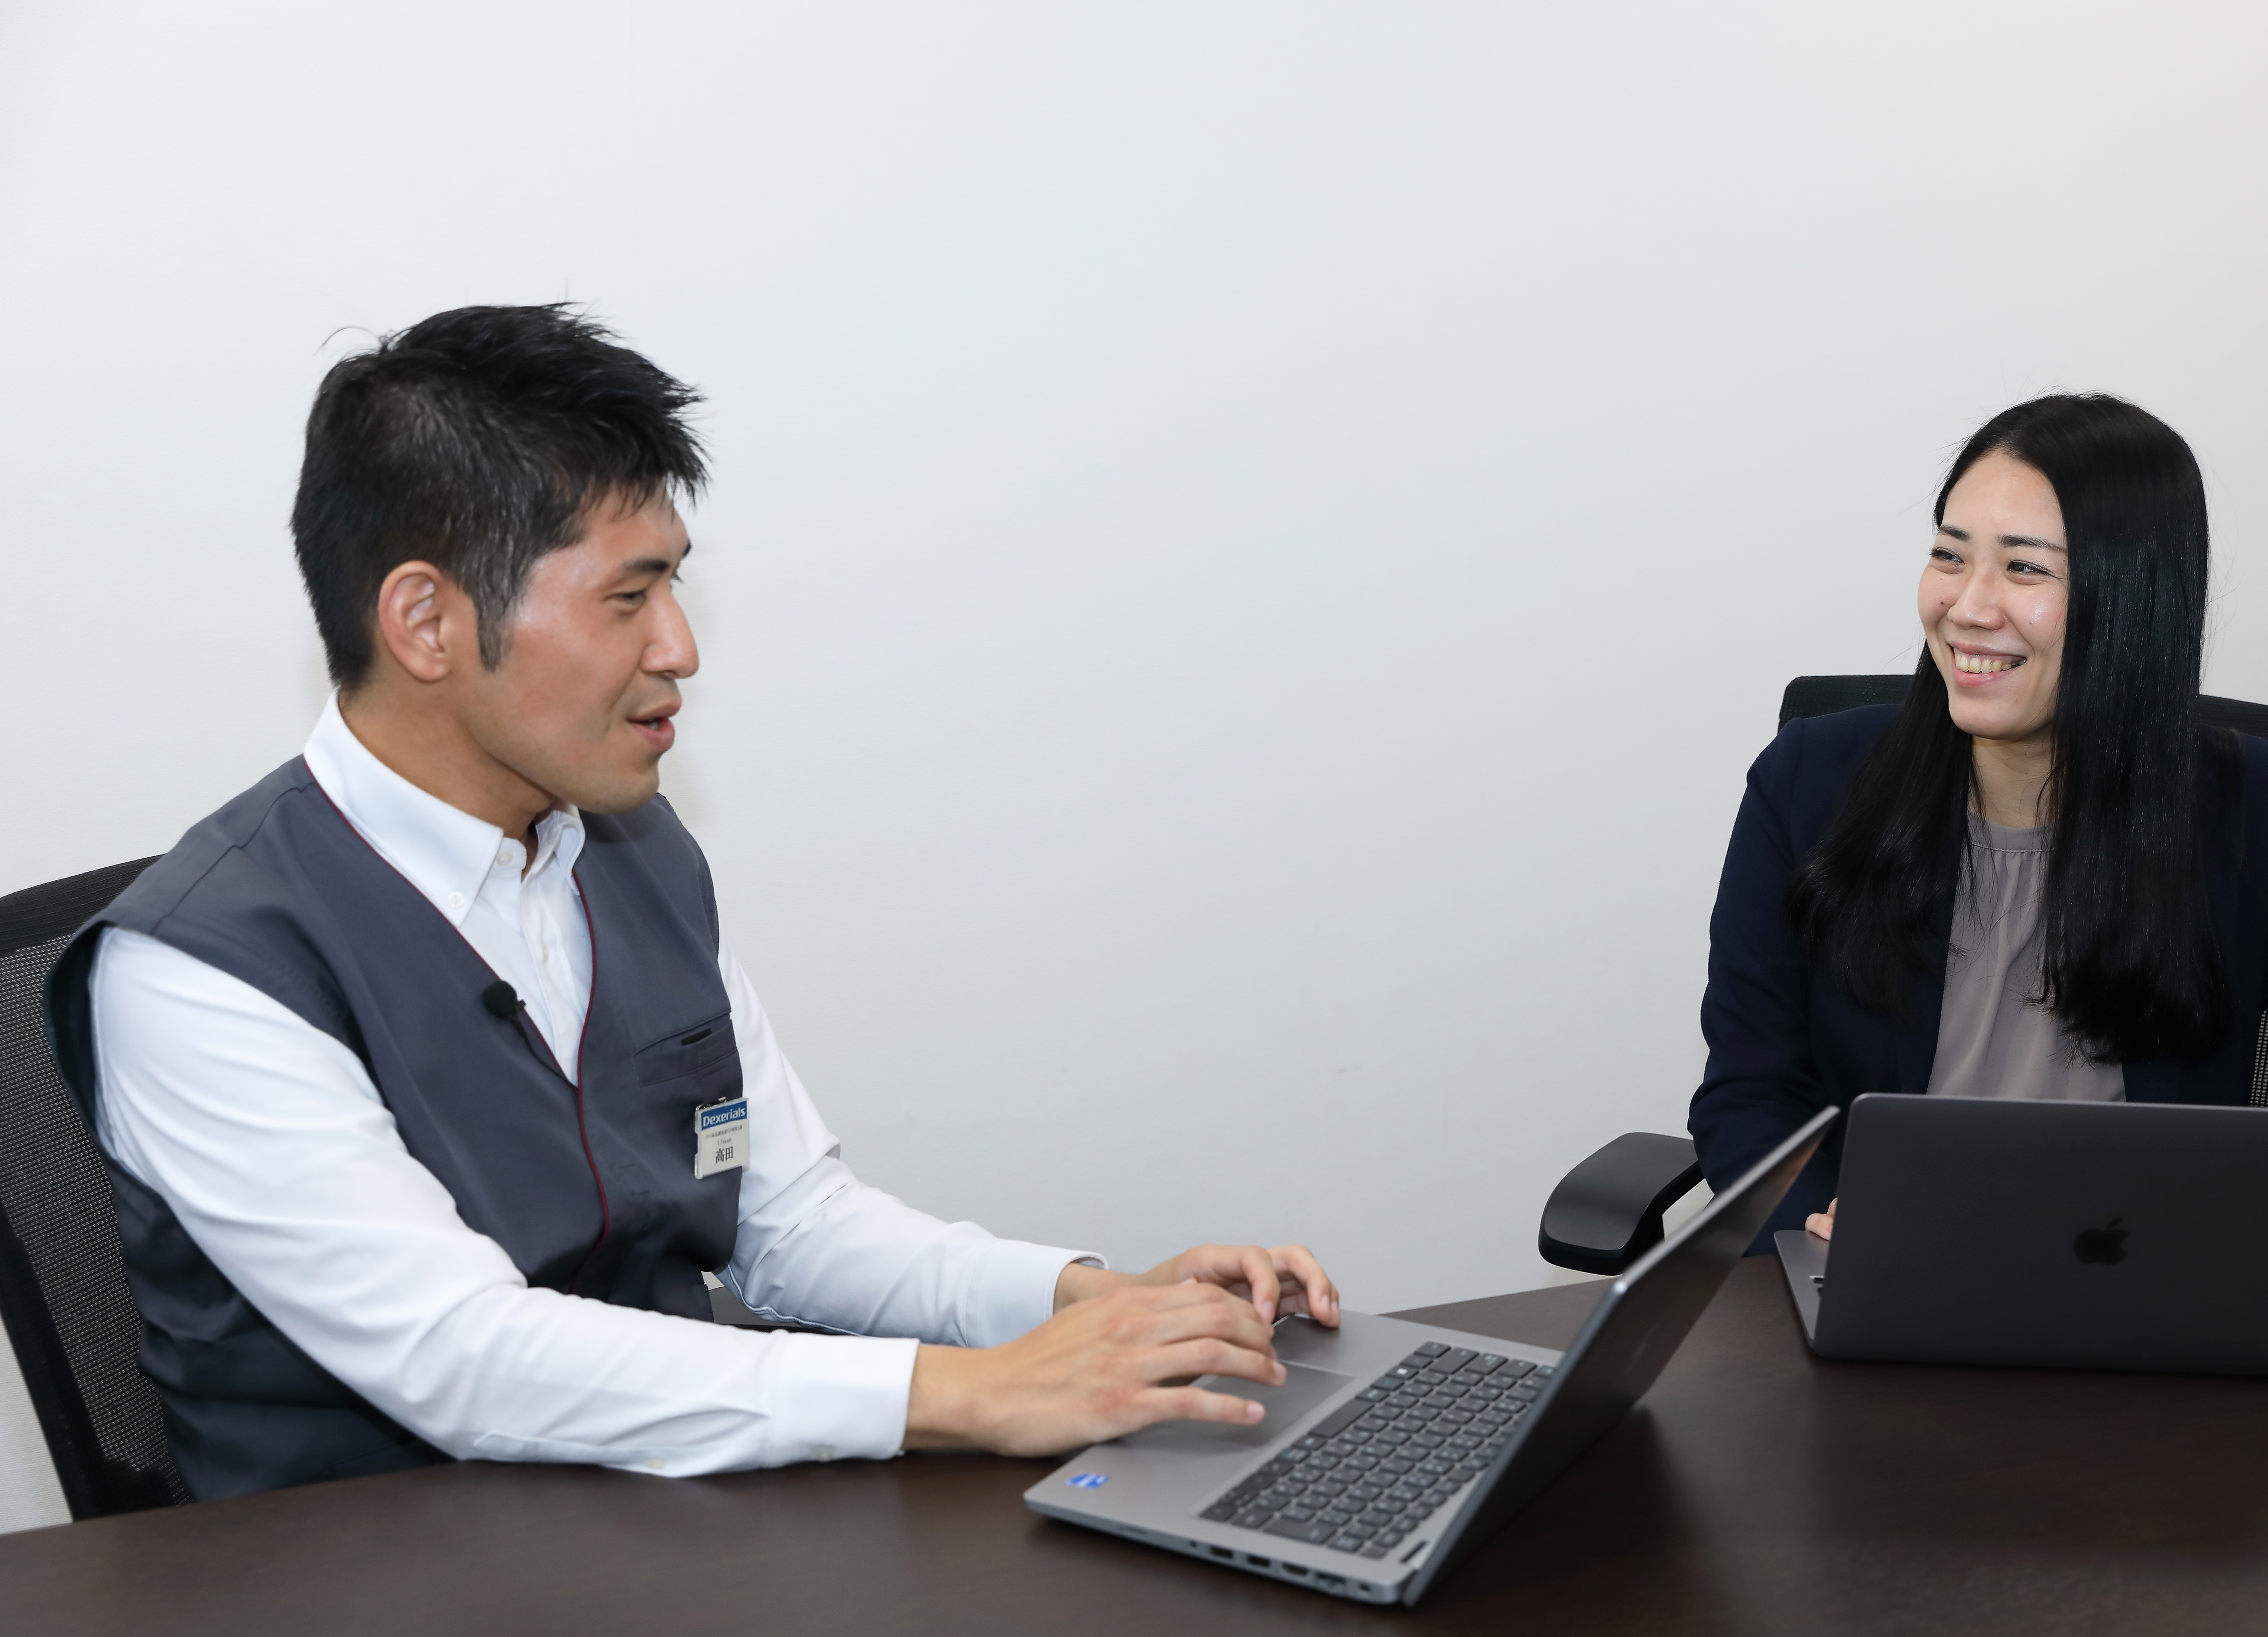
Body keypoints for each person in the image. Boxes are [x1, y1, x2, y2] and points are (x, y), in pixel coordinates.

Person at [44, 304, 1338, 1500]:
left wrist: (1084, 1304)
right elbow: (461, 1357)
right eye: (627, 596)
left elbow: (792, 1224)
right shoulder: (199, 970)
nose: (680, 647)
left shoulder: (631, 848)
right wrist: (967, 1392)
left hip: (656, 1528)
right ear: (426, 622)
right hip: (365, 1592)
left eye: (673, 586)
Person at [1687, 394, 2268, 1247]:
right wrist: (1825, 1229)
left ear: (2133, 599)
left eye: (2024, 569)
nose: (1968, 607)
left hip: (2137, 1280)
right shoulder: (1808, 782)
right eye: (1950, 556)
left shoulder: (2262, 809)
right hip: (1876, 1274)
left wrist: (2200, 1194)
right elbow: (1749, 1097)